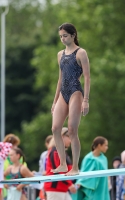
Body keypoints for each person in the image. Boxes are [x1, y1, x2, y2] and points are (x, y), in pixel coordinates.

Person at [51, 22, 90, 175]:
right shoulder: (60, 54)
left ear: (73, 35)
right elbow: (60, 80)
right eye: (60, 36)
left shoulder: (81, 53)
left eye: (65, 36)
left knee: (72, 130)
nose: (62, 39)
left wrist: (86, 100)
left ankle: (74, 167)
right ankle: (62, 164)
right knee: (55, 129)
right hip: (63, 92)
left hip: (75, 92)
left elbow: (87, 78)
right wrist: (54, 102)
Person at [44, 127, 77, 200]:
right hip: (55, 188)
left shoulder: (60, 151)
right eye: (69, 137)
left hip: (62, 188)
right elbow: (58, 171)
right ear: (62, 136)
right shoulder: (55, 152)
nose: (70, 140)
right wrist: (70, 184)